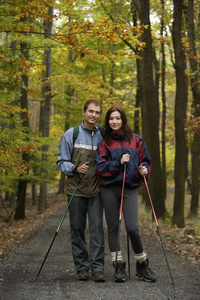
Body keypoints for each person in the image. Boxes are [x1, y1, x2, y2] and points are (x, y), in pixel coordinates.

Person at [95, 105, 156, 283]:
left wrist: (143, 171)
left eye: (118, 118)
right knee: (113, 227)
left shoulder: (136, 141)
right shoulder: (105, 143)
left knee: (131, 227)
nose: (114, 121)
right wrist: (118, 162)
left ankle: (142, 263)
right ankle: (118, 265)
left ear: (123, 120)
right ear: (108, 122)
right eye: (111, 119)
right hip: (109, 188)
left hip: (130, 188)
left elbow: (145, 161)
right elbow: (101, 168)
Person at [57, 100, 105, 282]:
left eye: (97, 112)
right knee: (77, 230)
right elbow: (61, 162)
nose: (94, 115)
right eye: (91, 111)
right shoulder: (71, 135)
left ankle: (98, 268)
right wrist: (75, 168)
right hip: (75, 191)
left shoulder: (103, 135)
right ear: (84, 112)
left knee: (97, 230)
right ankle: (82, 268)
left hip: (97, 192)